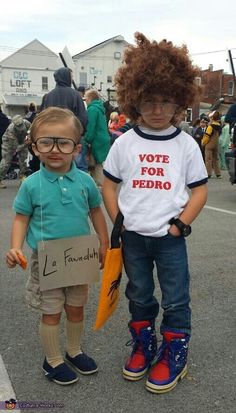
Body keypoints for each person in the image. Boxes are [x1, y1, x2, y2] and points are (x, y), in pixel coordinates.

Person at [102, 32, 208, 394]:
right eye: (148, 101)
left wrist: (181, 224)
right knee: (140, 294)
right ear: (134, 101)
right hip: (133, 237)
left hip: (169, 238)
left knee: (177, 296)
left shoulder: (186, 144)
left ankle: (175, 349)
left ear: (178, 101)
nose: (157, 109)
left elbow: (200, 190)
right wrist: (119, 220)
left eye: (165, 101)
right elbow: (109, 184)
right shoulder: (125, 143)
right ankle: (143, 343)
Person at [6, 107, 109, 386]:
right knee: (51, 311)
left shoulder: (85, 181)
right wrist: (15, 246)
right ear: (34, 146)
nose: (55, 149)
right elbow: (21, 218)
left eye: (63, 143)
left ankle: (74, 350)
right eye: (46, 142)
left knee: (76, 308)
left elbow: (96, 211)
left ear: (76, 148)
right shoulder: (32, 185)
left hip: (80, 257)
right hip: (48, 259)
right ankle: (52, 360)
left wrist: (104, 241)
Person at [41, 67, 87, 134]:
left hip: (52, 133)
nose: (72, 79)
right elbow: (83, 118)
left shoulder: (48, 96)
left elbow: (44, 116)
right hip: (70, 134)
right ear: (66, 77)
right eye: (71, 77)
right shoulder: (75, 95)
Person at [84, 89, 110, 187]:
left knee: (96, 167)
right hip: (103, 140)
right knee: (99, 165)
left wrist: (86, 139)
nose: (85, 101)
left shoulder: (92, 109)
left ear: (90, 98)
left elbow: (90, 128)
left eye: (86, 99)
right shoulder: (100, 108)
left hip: (96, 142)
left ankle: (100, 189)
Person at [0, 115, 31, 189]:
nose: (20, 127)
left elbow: (32, 131)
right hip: (9, 143)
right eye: (18, 126)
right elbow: (17, 148)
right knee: (6, 162)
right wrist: (27, 143)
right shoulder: (11, 130)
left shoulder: (27, 123)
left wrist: (29, 138)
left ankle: (22, 179)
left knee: (23, 161)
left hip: (22, 141)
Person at [202, 110, 222, 178]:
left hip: (209, 144)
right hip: (216, 144)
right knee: (216, 159)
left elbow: (206, 137)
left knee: (208, 159)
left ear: (212, 118)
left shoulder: (210, 127)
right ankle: (218, 174)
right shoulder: (219, 125)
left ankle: (208, 173)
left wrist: (203, 143)